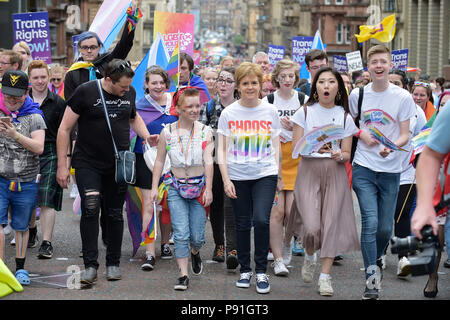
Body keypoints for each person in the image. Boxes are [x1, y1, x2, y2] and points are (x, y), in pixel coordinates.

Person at [56, 59, 155, 285]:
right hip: (87, 163)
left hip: (117, 164)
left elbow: (133, 117)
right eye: (122, 86)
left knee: (113, 213)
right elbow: (64, 128)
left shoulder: (128, 92)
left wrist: (146, 136)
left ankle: (113, 263)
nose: (126, 90)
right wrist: (63, 165)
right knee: (91, 209)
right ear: (109, 80)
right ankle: (90, 265)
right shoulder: (86, 92)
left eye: (129, 86)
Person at [285, 67, 360, 296]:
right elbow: (296, 148)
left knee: (330, 226)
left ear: (339, 87)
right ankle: (309, 255)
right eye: (321, 82)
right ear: (315, 87)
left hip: (335, 172)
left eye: (331, 82)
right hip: (308, 171)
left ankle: (325, 277)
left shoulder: (345, 116)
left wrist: (341, 155)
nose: (326, 86)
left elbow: (347, 152)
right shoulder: (305, 113)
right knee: (312, 228)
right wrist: (312, 145)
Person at [349, 45, 415, 300]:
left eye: (383, 62)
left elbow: (405, 133)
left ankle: (376, 255)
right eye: (374, 61)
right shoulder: (358, 94)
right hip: (364, 166)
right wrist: (360, 133)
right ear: (368, 66)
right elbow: (350, 121)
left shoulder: (402, 97)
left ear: (389, 65)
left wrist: (392, 147)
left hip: (391, 169)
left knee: (385, 229)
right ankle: (371, 276)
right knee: (370, 221)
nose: (378, 66)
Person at [217, 62, 282, 294]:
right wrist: (226, 180)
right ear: (238, 86)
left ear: (260, 84)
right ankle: (246, 270)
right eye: (245, 83)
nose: (250, 87)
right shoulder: (229, 113)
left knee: (262, 220)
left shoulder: (270, 111)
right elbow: (221, 151)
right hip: (237, 176)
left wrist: (278, 173)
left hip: (265, 174)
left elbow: (276, 145)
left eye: (254, 83)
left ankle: (262, 271)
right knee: (243, 223)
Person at [150, 87, 214, 291]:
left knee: (197, 237)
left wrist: (210, 189)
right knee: (180, 232)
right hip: (176, 188)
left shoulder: (205, 131)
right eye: (190, 106)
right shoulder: (167, 132)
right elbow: (159, 161)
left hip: (198, 189)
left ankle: (195, 252)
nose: (195, 110)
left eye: (198, 106)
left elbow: (209, 162)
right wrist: (154, 187)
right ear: (178, 109)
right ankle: (183, 275)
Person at [0, 70, 46, 285]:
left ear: (26, 92)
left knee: (21, 226)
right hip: (0, 180)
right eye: (7, 95)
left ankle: (20, 269)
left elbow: (39, 147)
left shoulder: (35, 116)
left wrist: (15, 135)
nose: (11, 100)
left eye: (16, 96)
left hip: (26, 182)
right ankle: (1, 271)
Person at [130, 66, 176, 270]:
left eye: (161, 82)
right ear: (146, 85)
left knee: (168, 204)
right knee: (149, 204)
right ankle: (149, 252)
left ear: (167, 84)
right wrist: (146, 140)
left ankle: (165, 244)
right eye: (153, 82)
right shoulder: (139, 106)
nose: (158, 86)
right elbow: (131, 133)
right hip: (146, 161)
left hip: (173, 161)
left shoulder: (176, 103)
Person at [262, 59, 305, 277]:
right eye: (283, 76)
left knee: (292, 213)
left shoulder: (303, 100)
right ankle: (278, 259)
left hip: (297, 159)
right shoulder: (268, 100)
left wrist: (297, 127)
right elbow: (261, 128)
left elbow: (313, 130)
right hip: (275, 159)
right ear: (276, 77)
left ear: (296, 78)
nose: (287, 80)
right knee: (277, 212)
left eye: (291, 76)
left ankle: (288, 243)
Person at [388, 69, 427, 277]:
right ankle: (379, 253)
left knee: (401, 214)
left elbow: (423, 139)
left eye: (398, 83)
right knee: (383, 215)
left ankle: (402, 257)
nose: (394, 86)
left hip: (405, 171)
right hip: (380, 167)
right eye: (390, 82)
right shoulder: (379, 105)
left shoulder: (416, 112)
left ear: (406, 87)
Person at [199, 66, 238, 270]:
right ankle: (220, 245)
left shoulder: (242, 107)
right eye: (220, 80)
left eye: (228, 80)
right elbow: (201, 134)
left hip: (236, 163)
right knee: (215, 206)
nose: (222, 83)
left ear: (235, 85)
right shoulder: (208, 107)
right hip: (213, 163)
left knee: (231, 205)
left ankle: (233, 247)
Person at [63, 0, 142, 100]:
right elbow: (70, 102)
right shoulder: (73, 73)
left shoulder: (109, 62)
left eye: (93, 47)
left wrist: (131, 17)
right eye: (85, 47)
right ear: (79, 48)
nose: (89, 50)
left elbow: (124, 45)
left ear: (99, 47)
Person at [411, 99, 450, 298]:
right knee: (438, 239)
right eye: (441, 104)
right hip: (443, 192)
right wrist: (425, 203)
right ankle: (433, 276)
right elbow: (429, 155)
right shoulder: (445, 117)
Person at [28, 60, 67, 259]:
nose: (40, 81)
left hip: (50, 151)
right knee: (27, 199)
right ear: (29, 79)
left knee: (46, 198)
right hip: (26, 152)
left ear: (49, 77)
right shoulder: (22, 101)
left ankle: (46, 242)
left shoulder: (59, 102)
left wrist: (64, 164)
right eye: (36, 77)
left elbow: (64, 133)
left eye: (43, 77)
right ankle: (31, 229)